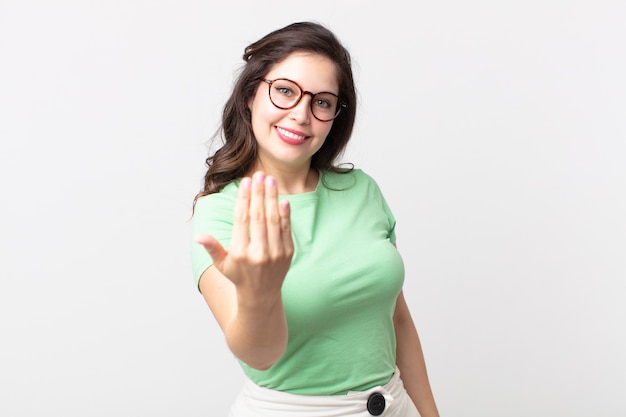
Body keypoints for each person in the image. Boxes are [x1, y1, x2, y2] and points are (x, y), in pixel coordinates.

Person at [190, 21, 440, 417]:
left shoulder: (362, 190)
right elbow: (260, 356)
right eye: (285, 91)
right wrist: (262, 293)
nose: (301, 114)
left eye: (321, 102)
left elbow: (398, 319)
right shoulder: (219, 214)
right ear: (252, 94)